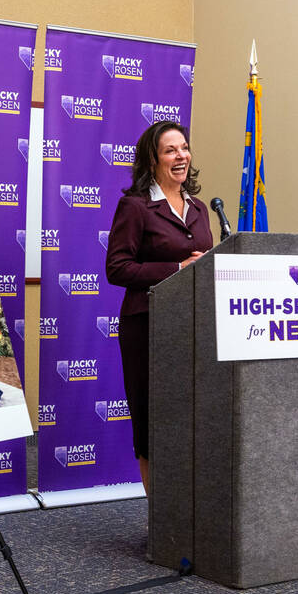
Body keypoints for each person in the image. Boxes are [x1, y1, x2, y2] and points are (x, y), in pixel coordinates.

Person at [104, 120, 213, 495]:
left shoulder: (199, 208)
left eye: (184, 148)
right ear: (152, 160)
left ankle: (188, 512)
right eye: (170, 150)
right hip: (147, 328)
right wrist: (177, 268)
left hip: (193, 327)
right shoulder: (135, 206)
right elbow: (117, 268)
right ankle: (159, 517)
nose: (181, 156)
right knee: (153, 419)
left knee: (191, 418)